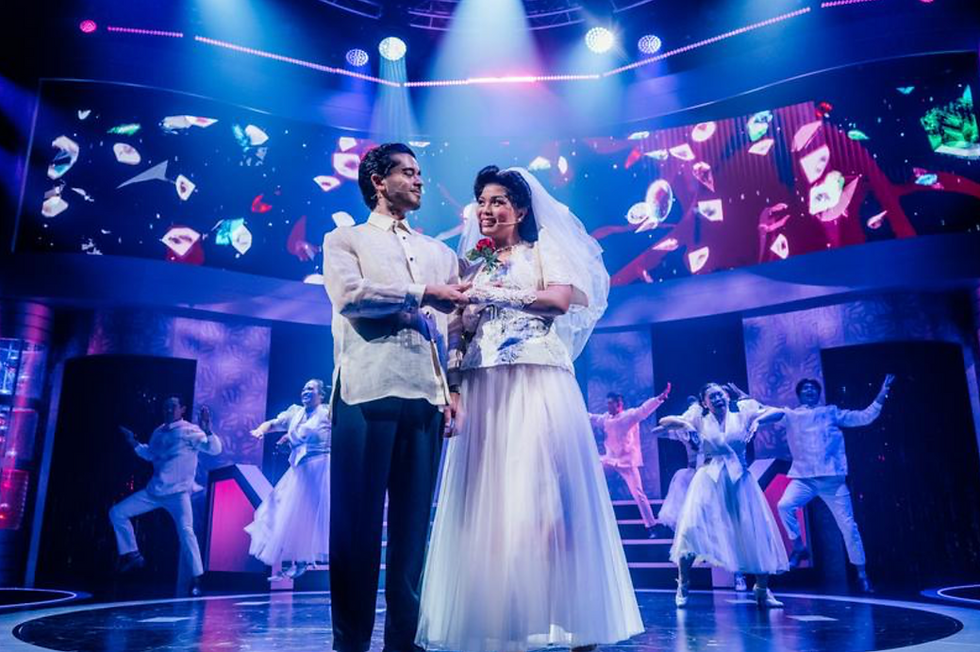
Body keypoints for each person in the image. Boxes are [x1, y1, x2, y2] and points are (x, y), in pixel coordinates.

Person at [416, 166, 641, 652]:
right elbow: (457, 327)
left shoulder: (543, 250)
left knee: (544, 498)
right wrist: (452, 387)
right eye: (482, 201)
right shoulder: (469, 262)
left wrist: (491, 293)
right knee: (489, 503)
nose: (488, 209)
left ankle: (576, 618)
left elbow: (559, 301)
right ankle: (504, 617)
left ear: (520, 210)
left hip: (535, 378)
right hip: (482, 386)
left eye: (499, 201)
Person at [322, 143, 468, 652]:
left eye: (420, 173)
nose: (419, 181)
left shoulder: (441, 254)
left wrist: (453, 389)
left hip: (425, 397)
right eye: (408, 172)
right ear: (378, 181)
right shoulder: (345, 239)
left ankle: (404, 642)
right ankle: (351, 643)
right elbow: (351, 298)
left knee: (411, 533)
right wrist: (420, 293)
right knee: (356, 527)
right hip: (367, 390)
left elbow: (454, 329)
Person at [660, 383, 788, 609]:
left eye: (720, 394)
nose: (717, 399)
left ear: (726, 396)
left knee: (753, 531)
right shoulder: (700, 418)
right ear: (705, 403)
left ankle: (761, 590)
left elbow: (779, 413)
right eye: (712, 397)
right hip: (709, 479)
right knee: (691, 530)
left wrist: (759, 418)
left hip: (739, 481)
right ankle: (684, 583)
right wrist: (684, 423)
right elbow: (664, 421)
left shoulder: (743, 415)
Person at [771, 374, 894, 593]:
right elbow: (763, 411)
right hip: (804, 479)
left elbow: (865, 417)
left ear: (818, 393)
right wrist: (744, 399)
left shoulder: (831, 412)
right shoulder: (790, 415)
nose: (809, 390)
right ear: (799, 394)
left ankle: (862, 574)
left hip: (832, 481)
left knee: (849, 527)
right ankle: (799, 548)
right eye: (805, 388)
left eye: (813, 388)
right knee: (784, 505)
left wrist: (881, 393)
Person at [110, 396, 222, 597]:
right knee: (117, 513)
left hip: (178, 494)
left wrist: (207, 429)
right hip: (154, 492)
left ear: (182, 409)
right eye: (166, 406)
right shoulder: (158, 431)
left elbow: (214, 449)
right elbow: (151, 455)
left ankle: (197, 579)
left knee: (187, 532)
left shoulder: (190, 430)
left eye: (173, 406)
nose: (169, 409)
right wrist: (133, 442)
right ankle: (132, 554)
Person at [247, 378, 331, 580]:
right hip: (300, 470)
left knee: (317, 516)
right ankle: (299, 562)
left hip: (322, 468)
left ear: (321, 395)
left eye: (310, 388)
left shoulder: (327, 412)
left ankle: (324, 562)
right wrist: (260, 430)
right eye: (304, 387)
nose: (305, 391)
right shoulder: (295, 413)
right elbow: (273, 423)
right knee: (281, 511)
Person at [589, 386, 672, 538]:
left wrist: (659, 399)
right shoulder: (606, 418)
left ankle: (652, 526)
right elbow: (592, 418)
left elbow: (644, 410)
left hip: (627, 462)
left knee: (638, 493)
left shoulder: (629, 416)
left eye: (610, 403)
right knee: (591, 475)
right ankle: (590, 519)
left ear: (619, 403)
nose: (608, 406)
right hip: (609, 459)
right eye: (607, 403)